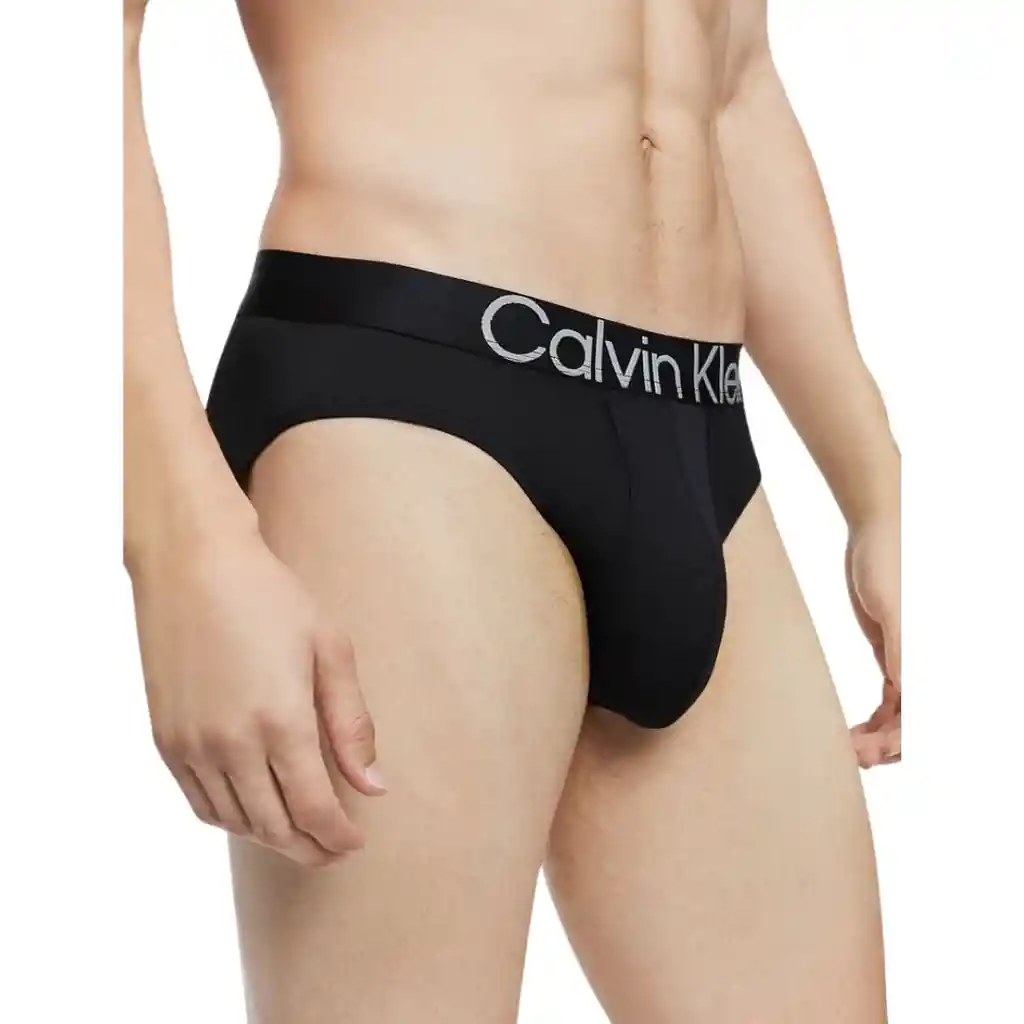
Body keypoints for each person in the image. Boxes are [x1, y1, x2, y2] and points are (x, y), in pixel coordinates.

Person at [123, 0, 901, 1020]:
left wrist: (878, 488)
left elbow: (734, 77)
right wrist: (182, 543)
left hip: (700, 429)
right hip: (407, 396)